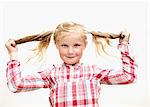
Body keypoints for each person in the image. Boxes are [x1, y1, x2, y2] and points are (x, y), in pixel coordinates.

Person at [5, 21, 137, 107]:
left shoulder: (93, 72)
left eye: (76, 45)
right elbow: (16, 85)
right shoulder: (52, 74)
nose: (70, 51)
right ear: (56, 46)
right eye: (64, 45)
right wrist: (13, 55)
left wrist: (124, 45)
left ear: (84, 46)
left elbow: (128, 77)